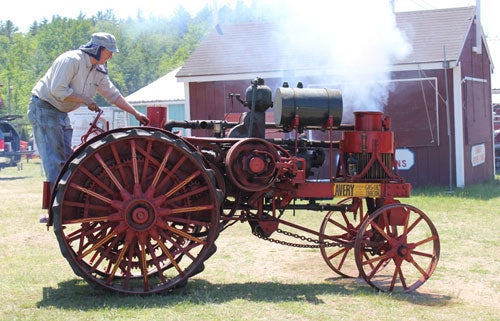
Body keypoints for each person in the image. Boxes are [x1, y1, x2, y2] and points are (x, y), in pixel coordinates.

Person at [28, 32, 150, 223]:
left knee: (67, 160)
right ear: (98, 49)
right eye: (109, 52)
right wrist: (85, 100)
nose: (111, 56)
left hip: (60, 112)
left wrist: (136, 114)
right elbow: (57, 90)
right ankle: (55, 212)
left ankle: (66, 206)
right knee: (55, 160)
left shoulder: (98, 71)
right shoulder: (70, 60)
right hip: (44, 108)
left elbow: (113, 95)